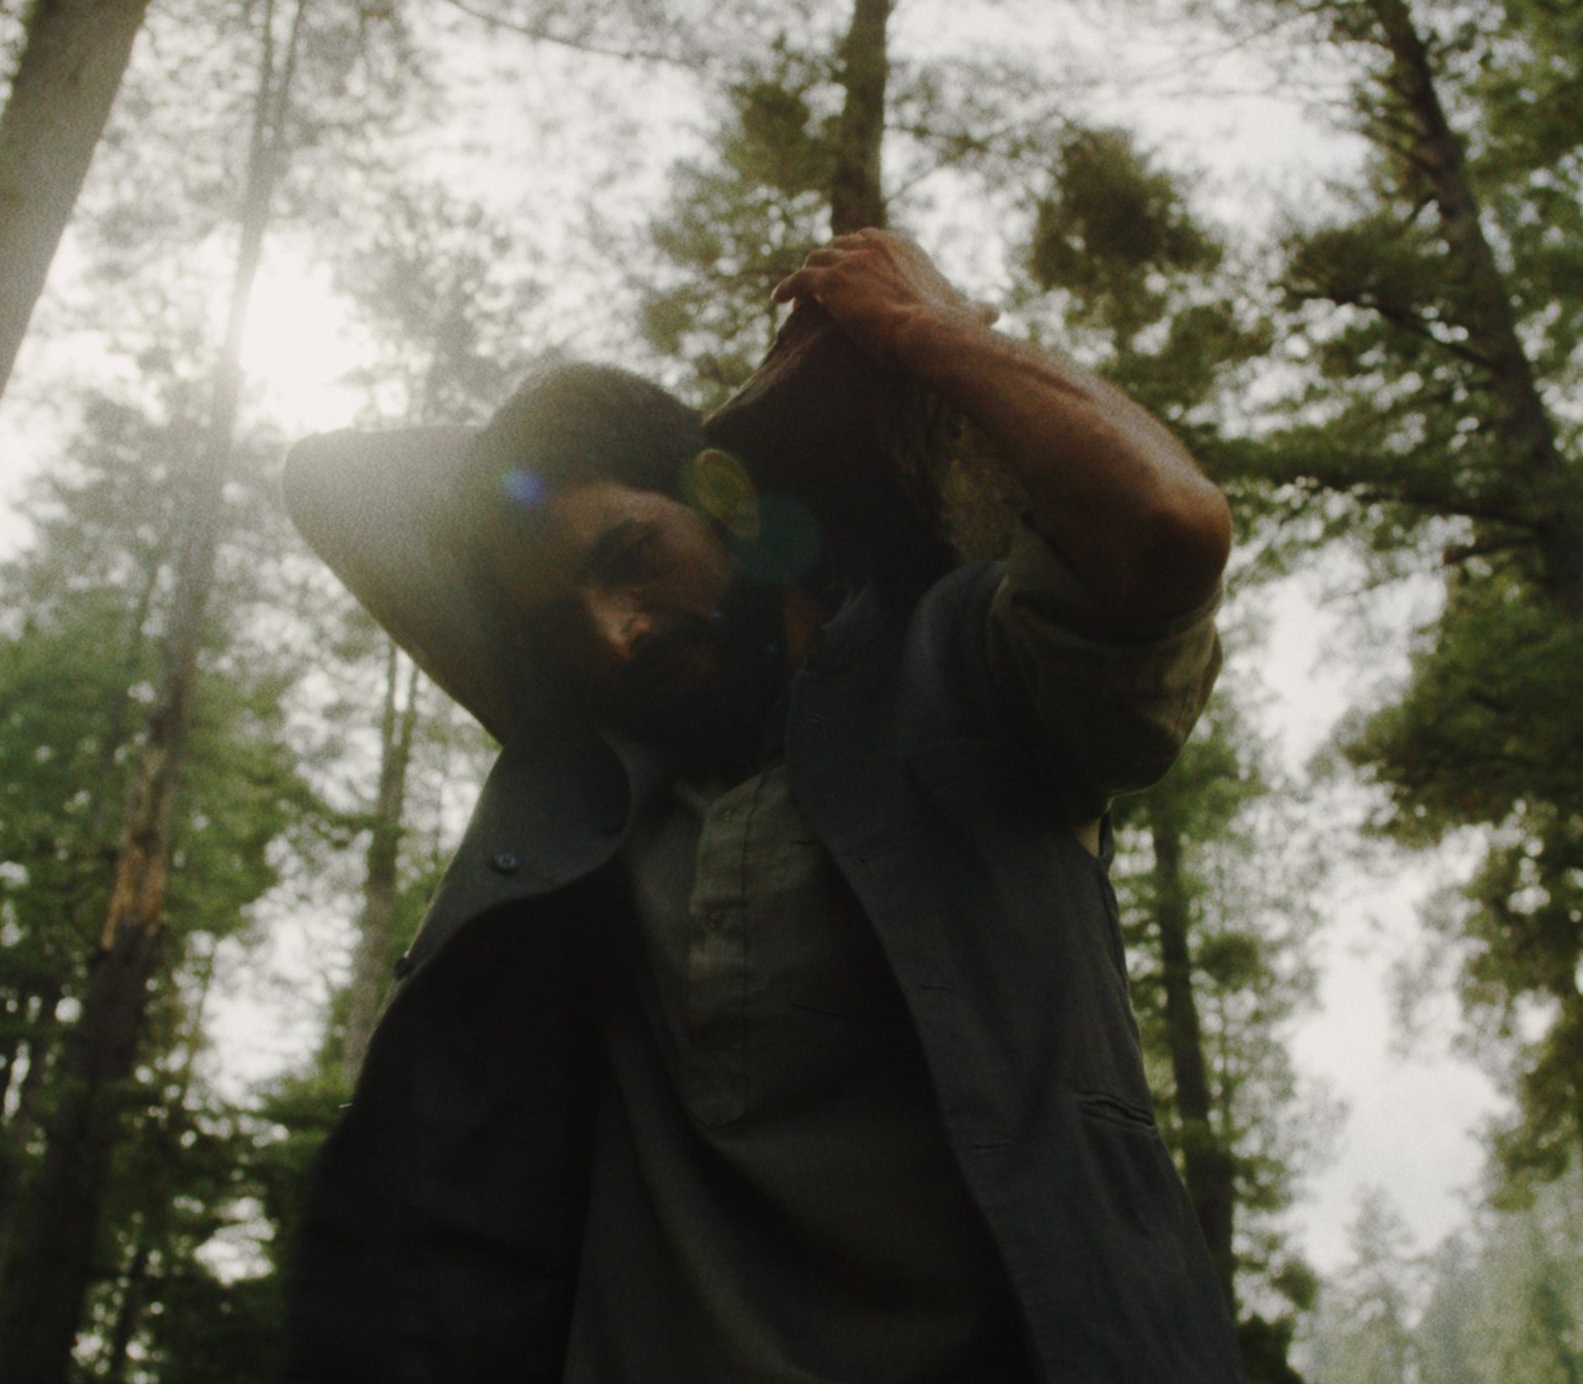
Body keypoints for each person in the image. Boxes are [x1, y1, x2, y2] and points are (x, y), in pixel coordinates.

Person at [280, 229, 1242, 1382]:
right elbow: (330, 483)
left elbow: (1168, 525)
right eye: (562, 616)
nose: (616, 631)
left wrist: (926, 336)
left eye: (630, 553)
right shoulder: (597, 772)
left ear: (725, 501)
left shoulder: (971, 672)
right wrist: (739, 422)